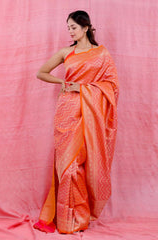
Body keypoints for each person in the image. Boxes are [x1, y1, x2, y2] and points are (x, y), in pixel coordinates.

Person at [33, 10, 119, 234]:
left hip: (90, 113)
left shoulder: (101, 54)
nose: (70, 31)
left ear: (86, 28)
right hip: (66, 112)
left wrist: (82, 88)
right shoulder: (66, 52)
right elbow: (41, 72)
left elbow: (112, 85)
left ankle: (79, 217)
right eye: (68, 27)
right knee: (68, 167)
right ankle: (66, 219)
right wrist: (61, 82)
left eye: (73, 27)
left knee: (82, 164)